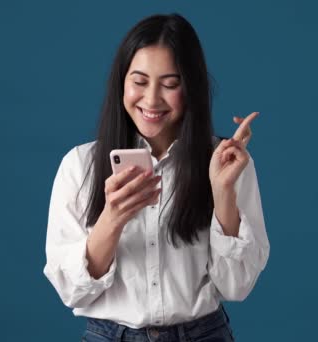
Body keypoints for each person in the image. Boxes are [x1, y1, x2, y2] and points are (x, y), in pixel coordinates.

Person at [43, 13, 270, 342]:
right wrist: (112, 217)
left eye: (170, 84)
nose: (151, 99)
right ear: (121, 82)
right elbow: (71, 292)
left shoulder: (227, 163)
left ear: (191, 87)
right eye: (139, 81)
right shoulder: (80, 166)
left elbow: (237, 286)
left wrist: (223, 192)